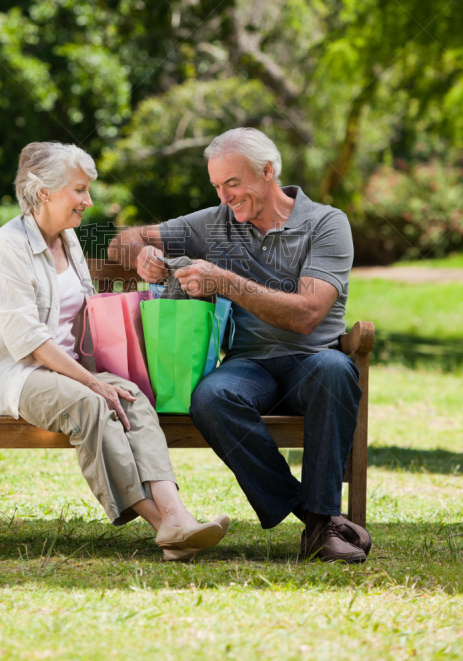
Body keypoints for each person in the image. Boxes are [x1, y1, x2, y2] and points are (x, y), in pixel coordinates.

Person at [0, 142, 229, 562]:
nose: (88, 201)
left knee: (133, 397)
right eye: (79, 190)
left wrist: (108, 369)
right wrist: (93, 381)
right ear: (45, 192)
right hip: (6, 373)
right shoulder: (8, 246)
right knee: (89, 404)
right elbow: (31, 340)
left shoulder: (69, 239)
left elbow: (82, 315)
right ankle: (161, 526)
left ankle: (177, 515)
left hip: (61, 369)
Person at [108, 128, 372, 563]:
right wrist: (139, 254)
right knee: (211, 397)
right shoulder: (215, 223)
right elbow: (123, 237)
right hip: (251, 363)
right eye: (216, 185)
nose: (225, 195)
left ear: (268, 171)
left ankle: (322, 526)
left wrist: (226, 282)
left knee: (334, 370)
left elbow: (307, 315)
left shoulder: (326, 223)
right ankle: (319, 519)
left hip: (312, 361)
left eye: (233, 183)